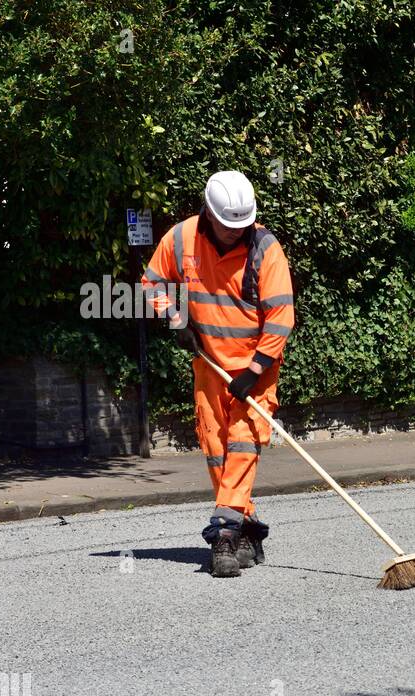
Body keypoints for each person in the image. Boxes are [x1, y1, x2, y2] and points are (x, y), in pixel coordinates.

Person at [142, 171, 296, 577]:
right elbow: (150, 283)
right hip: (209, 365)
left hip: (254, 369)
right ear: (208, 214)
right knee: (216, 449)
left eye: (241, 227)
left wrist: (256, 370)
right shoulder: (180, 239)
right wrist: (176, 321)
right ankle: (249, 530)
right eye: (228, 227)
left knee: (243, 447)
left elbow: (281, 318)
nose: (235, 234)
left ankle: (225, 535)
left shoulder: (267, 248)